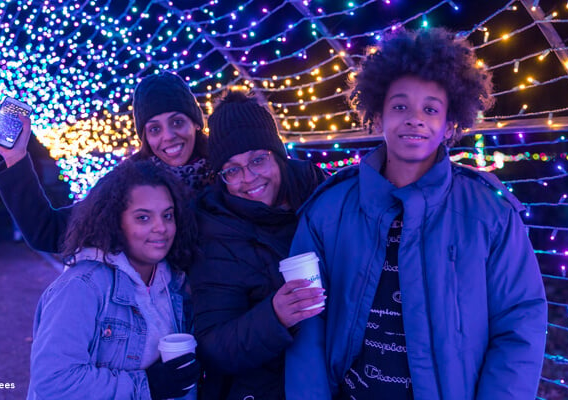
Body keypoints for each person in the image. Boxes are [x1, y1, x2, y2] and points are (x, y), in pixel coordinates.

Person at [285, 28, 548, 399]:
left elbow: (520, 324)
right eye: (400, 106)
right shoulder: (329, 209)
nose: (414, 119)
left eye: (430, 109)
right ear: (376, 116)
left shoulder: (489, 213)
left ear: (450, 123)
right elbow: (307, 326)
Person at [0, 72, 213, 254]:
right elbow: (48, 232)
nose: (168, 135)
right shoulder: (126, 186)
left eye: (177, 122)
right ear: (145, 137)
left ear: (196, 124)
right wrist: (15, 158)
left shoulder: (230, 175)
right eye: (155, 128)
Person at [188, 91, 327, 399]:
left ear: (277, 155)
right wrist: (273, 317)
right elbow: (212, 347)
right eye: (232, 169)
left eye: (257, 160)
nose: (248, 178)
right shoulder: (215, 234)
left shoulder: (323, 196)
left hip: (342, 376)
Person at [28, 159, 200, 400]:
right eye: (143, 218)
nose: (161, 227)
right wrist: (147, 386)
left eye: (168, 215)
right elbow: (55, 381)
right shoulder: (82, 287)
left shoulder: (175, 282)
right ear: (114, 221)